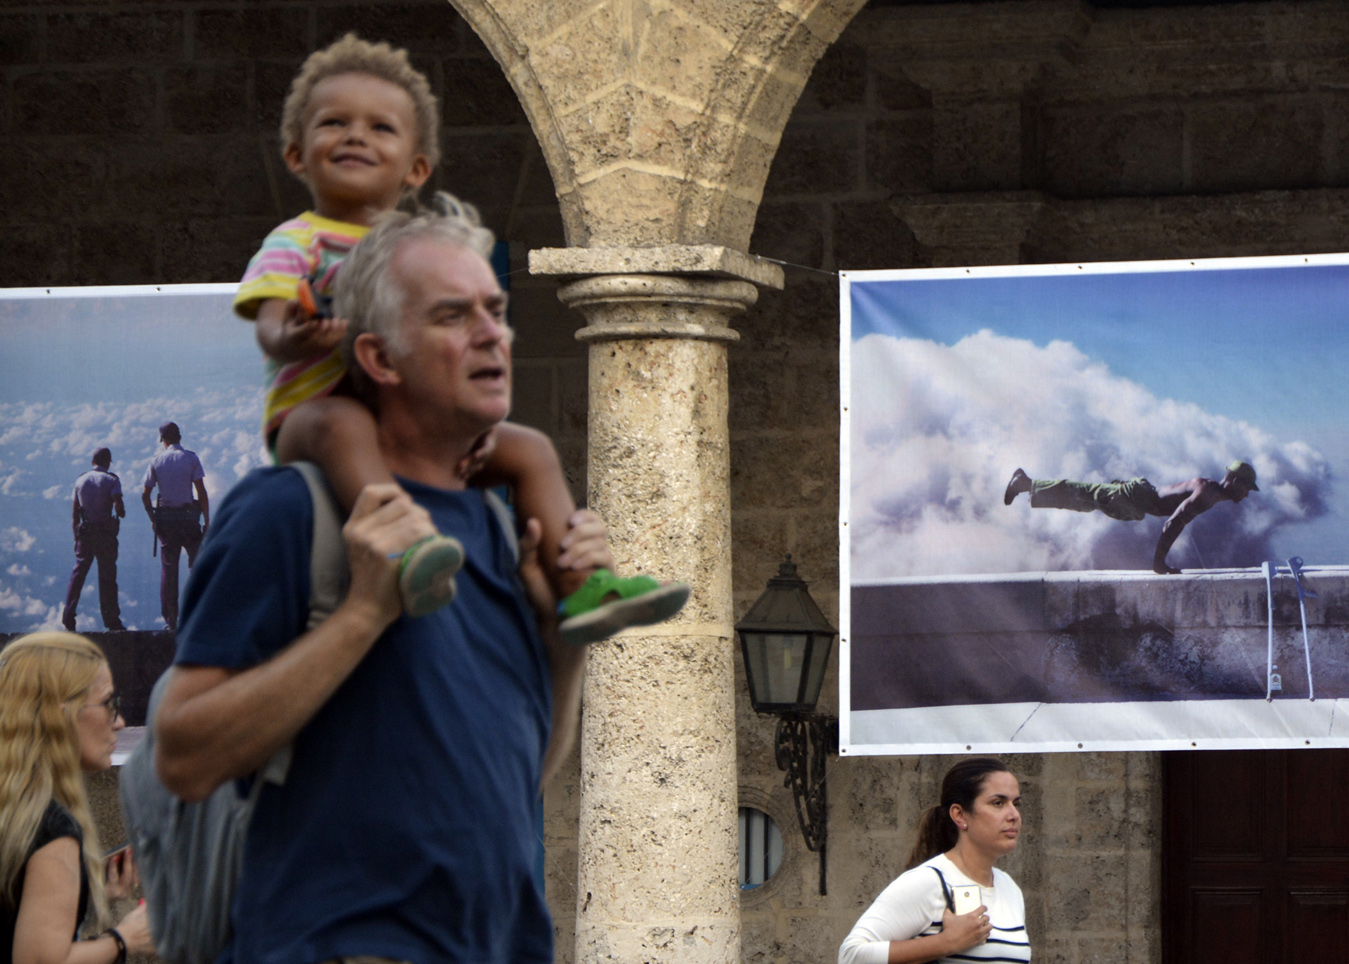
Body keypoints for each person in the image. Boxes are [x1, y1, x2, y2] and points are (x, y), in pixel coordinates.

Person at [154, 196, 614, 964]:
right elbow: (184, 757)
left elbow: (517, 777)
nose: (490, 333)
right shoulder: (288, 513)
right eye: (451, 315)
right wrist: (363, 613)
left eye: (494, 311)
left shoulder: (495, 528)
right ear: (378, 359)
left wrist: (561, 640)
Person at [233, 33, 687, 634]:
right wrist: (295, 338)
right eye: (334, 123)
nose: (355, 136)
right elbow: (269, 325)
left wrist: (465, 425)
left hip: (398, 420)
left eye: (380, 128)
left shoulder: (422, 252)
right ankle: (405, 546)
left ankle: (581, 585)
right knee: (340, 424)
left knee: (528, 449)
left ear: (417, 167)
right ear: (296, 154)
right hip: (310, 416)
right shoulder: (296, 241)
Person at [0, 633, 154, 964]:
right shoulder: (51, 827)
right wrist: (126, 939)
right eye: (109, 704)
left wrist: (84, 883)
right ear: (62, 714)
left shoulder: (17, 811)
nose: (120, 722)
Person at [839, 757, 1031, 964]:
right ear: (960, 815)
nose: (1014, 815)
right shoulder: (930, 880)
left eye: (1016, 803)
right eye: (998, 803)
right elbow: (851, 955)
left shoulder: (1009, 888)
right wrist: (946, 943)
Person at [1003, 460, 1259, 575]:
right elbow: (1173, 522)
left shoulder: (1213, 490)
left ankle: (1026, 484)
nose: (1247, 495)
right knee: (1079, 494)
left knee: (1082, 497)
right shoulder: (1209, 493)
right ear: (1235, 482)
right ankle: (1024, 482)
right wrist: (1159, 564)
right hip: (1134, 498)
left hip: (1137, 499)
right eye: (1247, 488)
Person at [141, 422, 209, 631]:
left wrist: (153, 518)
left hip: (166, 521)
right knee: (197, 567)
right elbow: (201, 492)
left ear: (164, 440)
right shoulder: (190, 458)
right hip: (189, 519)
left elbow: (145, 495)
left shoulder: (156, 461)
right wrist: (207, 520)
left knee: (169, 570)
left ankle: (171, 621)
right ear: (179, 437)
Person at [61, 449, 126, 633]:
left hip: (85, 534)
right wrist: (120, 511)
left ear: (92, 462)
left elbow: (75, 513)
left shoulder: (80, 480)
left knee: (78, 575)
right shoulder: (112, 480)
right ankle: (112, 621)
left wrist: (76, 538)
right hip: (105, 535)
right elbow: (119, 507)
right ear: (108, 462)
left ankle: (68, 616)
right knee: (107, 578)